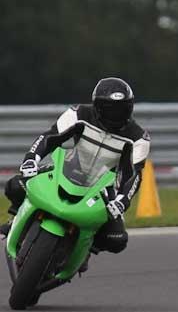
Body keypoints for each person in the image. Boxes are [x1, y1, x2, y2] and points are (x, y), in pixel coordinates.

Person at [1, 77, 151, 272]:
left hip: (103, 190)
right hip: (67, 170)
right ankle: (15, 220)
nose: (115, 114)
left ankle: (85, 249)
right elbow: (49, 137)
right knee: (15, 185)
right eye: (109, 108)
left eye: (121, 109)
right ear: (97, 106)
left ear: (130, 109)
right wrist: (32, 158)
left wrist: (123, 200)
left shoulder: (138, 137)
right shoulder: (79, 113)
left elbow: (135, 175)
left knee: (117, 240)